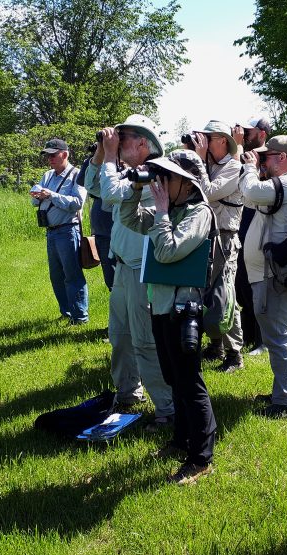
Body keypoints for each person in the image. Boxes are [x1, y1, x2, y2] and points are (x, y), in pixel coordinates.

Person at [120, 151, 217, 484]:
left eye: (166, 178)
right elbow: (130, 220)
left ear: (185, 182)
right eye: (157, 177)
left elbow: (167, 250)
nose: (159, 184)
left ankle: (201, 457)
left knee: (190, 383)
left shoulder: (198, 213)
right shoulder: (171, 209)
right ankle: (180, 440)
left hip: (183, 308)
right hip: (160, 306)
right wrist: (135, 189)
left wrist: (161, 213)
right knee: (173, 379)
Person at [83, 115, 175, 431]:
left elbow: (110, 193)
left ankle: (167, 408)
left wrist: (109, 156)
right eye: (116, 138)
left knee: (145, 342)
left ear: (143, 143)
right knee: (119, 336)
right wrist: (100, 153)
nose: (118, 143)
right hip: (123, 266)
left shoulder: (154, 171)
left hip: (143, 270)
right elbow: (94, 185)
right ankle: (128, 394)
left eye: (124, 138)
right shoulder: (128, 172)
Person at [238, 135, 287, 419]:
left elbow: (251, 192)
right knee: (286, 334)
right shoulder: (286, 186)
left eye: (266, 157)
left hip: (274, 275)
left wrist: (248, 168)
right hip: (276, 273)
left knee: (278, 337)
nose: (261, 161)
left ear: (283, 158)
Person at [186, 120, 244, 372]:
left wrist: (198, 159)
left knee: (225, 294)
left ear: (223, 140)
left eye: (208, 137)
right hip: (207, 236)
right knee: (208, 292)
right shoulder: (209, 163)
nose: (204, 142)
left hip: (226, 237)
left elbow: (207, 192)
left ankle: (235, 353)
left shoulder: (234, 167)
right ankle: (215, 346)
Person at [30, 138, 89, 325]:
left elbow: (77, 203)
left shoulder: (77, 175)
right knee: (56, 276)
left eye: (53, 155)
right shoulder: (47, 176)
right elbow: (34, 201)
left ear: (65, 154)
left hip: (68, 231)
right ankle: (67, 312)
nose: (49, 159)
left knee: (72, 275)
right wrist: (40, 196)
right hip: (51, 231)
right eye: (47, 155)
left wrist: (51, 196)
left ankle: (80, 317)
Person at [231, 116, 273, 356]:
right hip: (243, 223)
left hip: (261, 225)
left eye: (249, 131)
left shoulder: (269, 156)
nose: (245, 135)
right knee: (242, 282)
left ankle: (263, 340)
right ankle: (248, 335)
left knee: (259, 284)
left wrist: (238, 148)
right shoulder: (246, 156)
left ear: (262, 134)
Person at [76, 146, 116, 290]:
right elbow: (82, 181)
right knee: (110, 278)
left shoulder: (117, 169)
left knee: (118, 279)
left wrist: (109, 159)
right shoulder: (98, 164)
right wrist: (96, 156)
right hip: (101, 233)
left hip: (113, 233)